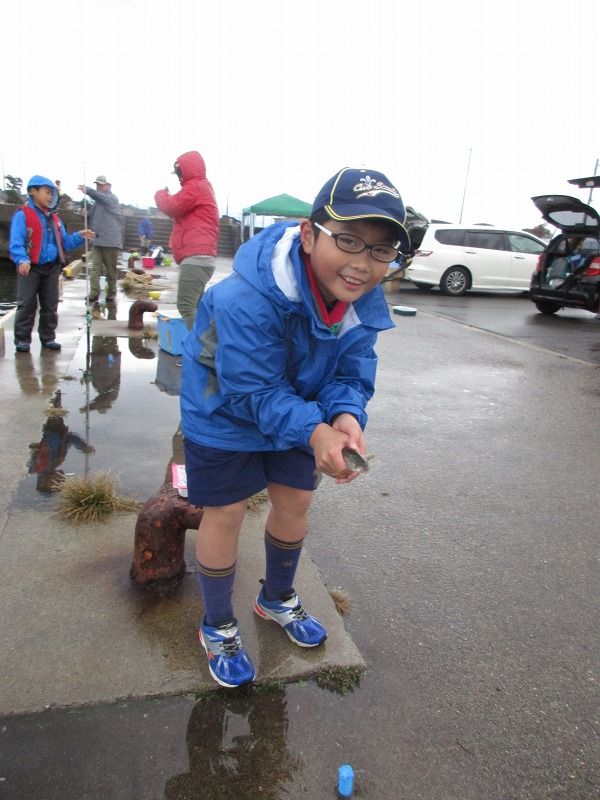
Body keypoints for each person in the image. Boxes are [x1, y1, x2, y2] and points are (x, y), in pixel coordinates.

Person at [180, 166, 411, 687]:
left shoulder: (360, 299)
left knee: (296, 499)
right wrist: (316, 431)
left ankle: (276, 597)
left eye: (380, 250)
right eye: (348, 240)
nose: (362, 263)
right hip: (223, 408)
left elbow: (352, 369)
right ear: (309, 235)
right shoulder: (245, 297)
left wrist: (345, 415)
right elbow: (252, 390)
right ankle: (217, 624)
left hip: (298, 409)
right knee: (225, 511)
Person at [10, 176, 94, 353]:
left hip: (51, 268)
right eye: (47, 192)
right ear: (33, 191)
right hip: (30, 267)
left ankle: (48, 337)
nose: (50, 197)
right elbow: (16, 243)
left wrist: (80, 236)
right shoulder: (22, 215)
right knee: (27, 304)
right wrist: (22, 259)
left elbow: (65, 243)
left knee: (50, 304)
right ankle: (22, 339)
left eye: (52, 194)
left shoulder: (55, 219)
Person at [154, 151, 219, 329]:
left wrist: (161, 194)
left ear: (185, 170)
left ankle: (202, 344)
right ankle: (206, 342)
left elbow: (171, 206)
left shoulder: (195, 187)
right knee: (197, 308)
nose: (178, 178)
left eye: (179, 173)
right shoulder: (201, 186)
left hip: (196, 258)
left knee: (186, 306)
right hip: (201, 258)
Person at [78, 176, 123, 304]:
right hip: (97, 241)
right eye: (97, 185)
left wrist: (88, 190)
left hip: (111, 242)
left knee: (110, 270)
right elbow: (92, 219)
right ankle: (94, 293)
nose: (99, 187)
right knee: (95, 269)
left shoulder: (112, 199)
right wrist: (84, 215)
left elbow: (101, 197)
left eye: (102, 185)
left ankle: (111, 293)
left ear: (108, 185)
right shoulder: (96, 203)